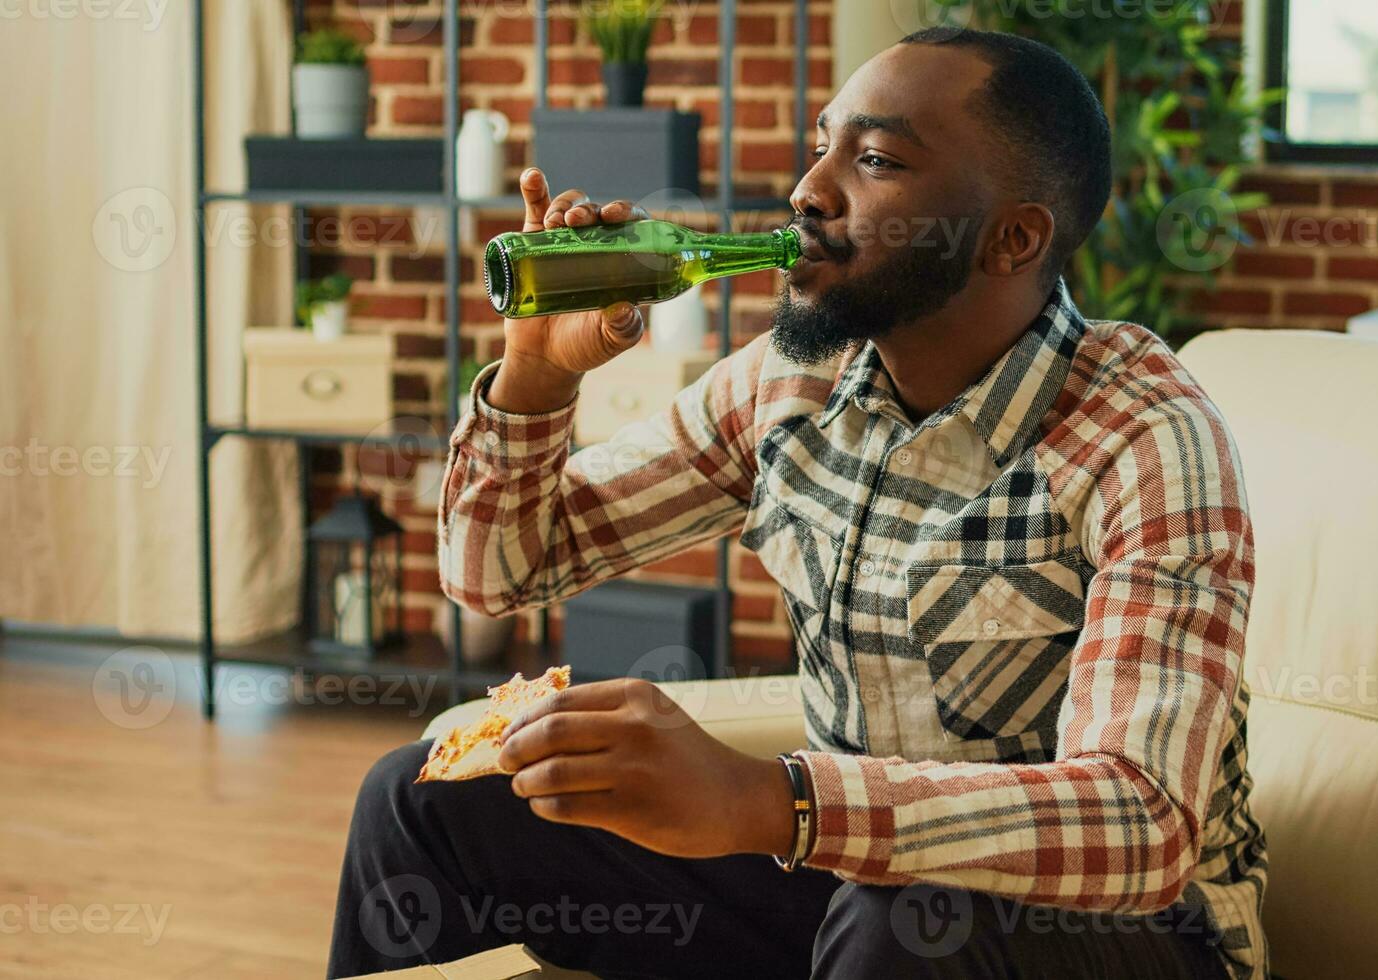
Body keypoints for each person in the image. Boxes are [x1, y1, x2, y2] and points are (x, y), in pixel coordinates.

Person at [329, 26, 1266, 980]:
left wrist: (769, 802)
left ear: (1011, 236)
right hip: (852, 881)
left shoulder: (1143, 437)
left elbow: (1142, 823)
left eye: (874, 160)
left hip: (1119, 934)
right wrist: (534, 379)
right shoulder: (792, 382)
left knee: (906, 916)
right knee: (421, 797)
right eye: (822, 143)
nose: (809, 190)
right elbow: (497, 574)